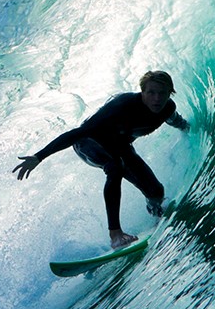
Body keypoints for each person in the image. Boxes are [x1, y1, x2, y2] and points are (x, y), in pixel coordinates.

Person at [12, 70, 190, 249]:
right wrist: (39, 156)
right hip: (88, 142)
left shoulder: (167, 108)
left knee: (156, 191)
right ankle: (116, 235)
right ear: (142, 91)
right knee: (115, 167)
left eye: (162, 93)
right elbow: (78, 133)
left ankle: (157, 215)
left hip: (119, 146)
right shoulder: (122, 105)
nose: (156, 98)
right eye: (151, 92)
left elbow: (175, 120)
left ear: (170, 93)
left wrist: (189, 128)